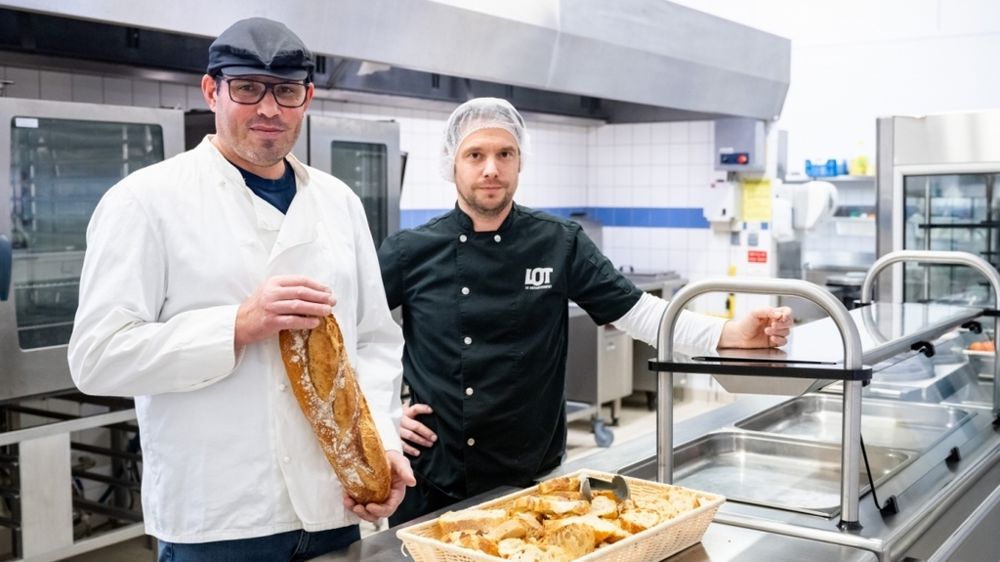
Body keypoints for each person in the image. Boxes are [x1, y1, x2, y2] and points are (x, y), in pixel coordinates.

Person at [67, 17, 414, 562]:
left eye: (286, 92)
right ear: (212, 91)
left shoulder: (338, 203)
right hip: (220, 518)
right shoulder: (145, 202)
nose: (269, 108)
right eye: (248, 88)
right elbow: (96, 358)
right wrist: (236, 325)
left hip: (335, 503)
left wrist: (383, 447)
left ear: (307, 98)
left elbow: (372, 341)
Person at [378, 97, 793, 525]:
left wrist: (728, 334)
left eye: (505, 154)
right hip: (433, 480)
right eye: (475, 155)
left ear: (520, 161)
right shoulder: (411, 251)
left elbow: (637, 311)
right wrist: (380, 417)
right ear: (452, 163)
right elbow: (354, 334)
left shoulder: (559, 242)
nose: (491, 169)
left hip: (533, 483)